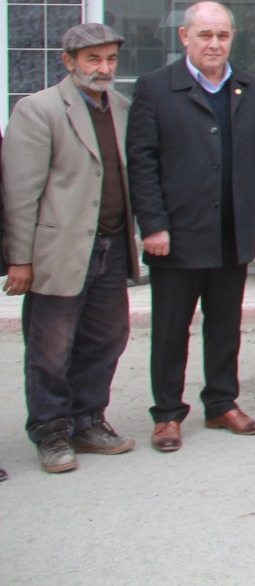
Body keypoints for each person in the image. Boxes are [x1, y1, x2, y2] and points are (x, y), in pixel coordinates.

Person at [126, 1, 255, 452]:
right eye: (205, 35)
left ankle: (221, 403)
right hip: (176, 235)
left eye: (222, 35)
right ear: (184, 37)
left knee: (225, 327)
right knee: (170, 330)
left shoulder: (251, 88)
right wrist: (153, 225)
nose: (214, 44)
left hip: (233, 232)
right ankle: (167, 414)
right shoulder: (155, 88)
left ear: (232, 38)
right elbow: (141, 162)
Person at [4, 24, 140, 473]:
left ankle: (87, 421)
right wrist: (19, 259)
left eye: (110, 59)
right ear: (69, 61)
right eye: (93, 59)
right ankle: (50, 431)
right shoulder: (38, 110)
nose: (104, 68)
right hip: (58, 250)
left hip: (111, 247)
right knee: (51, 348)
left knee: (107, 338)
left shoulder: (122, 108)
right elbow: (20, 192)